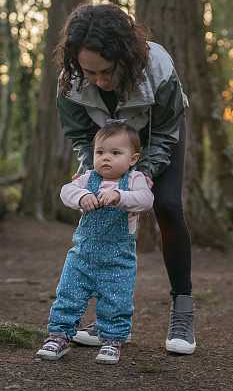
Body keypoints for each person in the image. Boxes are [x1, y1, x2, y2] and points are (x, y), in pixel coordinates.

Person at [54, 3, 197, 355]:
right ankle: (109, 322)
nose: (100, 81)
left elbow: (165, 132)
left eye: (107, 71)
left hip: (157, 136)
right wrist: (93, 173)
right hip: (107, 146)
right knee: (105, 215)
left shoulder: (158, 68)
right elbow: (82, 137)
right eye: (90, 72)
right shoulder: (69, 83)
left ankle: (182, 312)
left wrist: (144, 172)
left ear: (124, 56)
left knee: (166, 205)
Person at [37, 122, 154, 364]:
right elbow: (65, 192)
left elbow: (146, 200)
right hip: (82, 254)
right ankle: (58, 336)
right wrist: (82, 196)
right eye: (100, 152)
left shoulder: (135, 180)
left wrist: (120, 196)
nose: (106, 159)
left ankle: (112, 340)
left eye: (115, 153)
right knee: (68, 293)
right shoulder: (88, 178)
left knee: (116, 300)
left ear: (133, 159)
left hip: (118, 258)